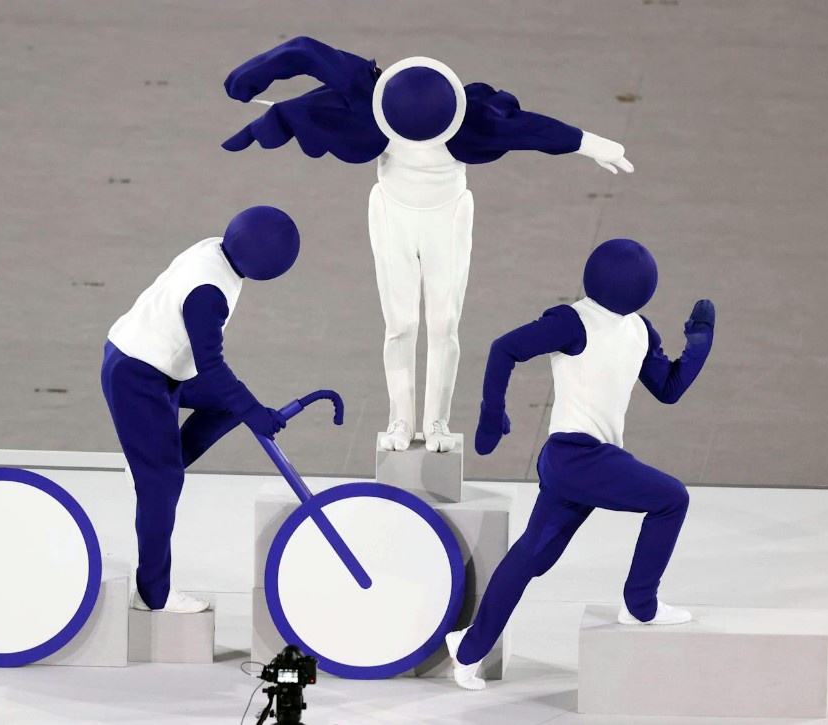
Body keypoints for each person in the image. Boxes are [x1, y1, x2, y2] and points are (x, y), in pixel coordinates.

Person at [223, 36, 633, 453]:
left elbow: (532, 130)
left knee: (443, 324)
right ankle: (399, 417)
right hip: (392, 214)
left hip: (448, 217)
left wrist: (591, 144)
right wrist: (251, 77)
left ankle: (437, 421)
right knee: (399, 324)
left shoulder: (474, 120)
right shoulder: (368, 95)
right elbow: (306, 52)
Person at [444, 238, 715, 689]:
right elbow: (504, 348)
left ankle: (469, 648)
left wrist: (698, 346)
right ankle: (640, 604)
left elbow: (668, 388)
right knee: (672, 499)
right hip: (576, 456)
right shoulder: (572, 321)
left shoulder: (640, 330)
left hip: (584, 463)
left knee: (534, 556)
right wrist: (492, 414)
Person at [101, 206, 300, 613]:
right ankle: (153, 595)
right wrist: (255, 412)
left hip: (157, 363)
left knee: (228, 405)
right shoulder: (209, 293)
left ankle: (150, 465)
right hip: (137, 375)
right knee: (162, 485)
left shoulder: (215, 249)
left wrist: (247, 408)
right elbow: (212, 365)